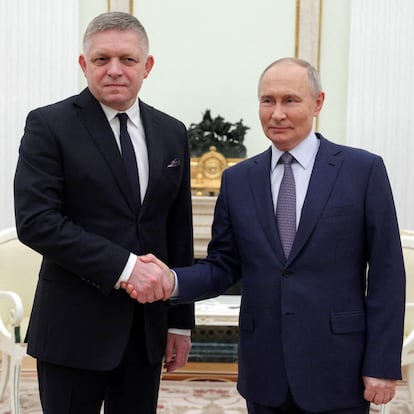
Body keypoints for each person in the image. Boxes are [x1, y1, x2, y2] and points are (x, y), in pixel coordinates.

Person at [125, 57, 406, 413]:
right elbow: (224, 266)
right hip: (264, 371)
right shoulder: (239, 179)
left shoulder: (363, 171)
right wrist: (172, 279)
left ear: (318, 103)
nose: (276, 113)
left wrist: (381, 364)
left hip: (340, 368)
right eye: (267, 100)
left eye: (290, 100)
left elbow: (387, 274)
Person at [14, 11, 194, 414]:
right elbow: (37, 222)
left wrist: (179, 321)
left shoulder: (172, 132)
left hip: (145, 334)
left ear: (147, 66)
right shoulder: (49, 125)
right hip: (72, 329)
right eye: (101, 59)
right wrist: (127, 268)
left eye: (127, 60)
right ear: (84, 64)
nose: (114, 70)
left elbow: (177, 229)